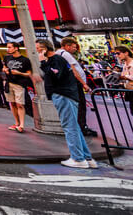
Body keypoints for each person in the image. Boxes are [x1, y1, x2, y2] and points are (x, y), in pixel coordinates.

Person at [37, 39, 97, 169]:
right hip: (67, 94)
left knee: (69, 127)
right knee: (74, 126)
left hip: (63, 95)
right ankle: (87, 157)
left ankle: (78, 158)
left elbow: (54, 75)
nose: (37, 52)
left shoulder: (56, 60)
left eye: (38, 49)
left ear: (44, 49)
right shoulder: (57, 60)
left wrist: (42, 62)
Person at [59, 37, 95, 137]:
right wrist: (84, 83)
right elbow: (74, 71)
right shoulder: (65, 54)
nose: (75, 49)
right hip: (75, 83)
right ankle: (82, 127)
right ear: (67, 46)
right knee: (81, 105)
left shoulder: (59, 54)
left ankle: (80, 127)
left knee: (77, 106)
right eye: (74, 47)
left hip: (70, 84)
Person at [4, 41, 33, 133]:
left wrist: (19, 73)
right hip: (9, 83)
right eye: (7, 47)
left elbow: (29, 73)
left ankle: (22, 125)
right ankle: (16, 123)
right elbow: (4, 66)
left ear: (16, 48)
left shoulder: (25, 60)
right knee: (12, 103)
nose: (8, 49)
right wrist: (5, 69)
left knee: (20, 104)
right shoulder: (7, 57)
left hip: (19, 84)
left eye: (10, 47)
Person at [117, 45, 133, 115]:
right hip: (130, 91)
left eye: (118, 53)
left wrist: (125, 77)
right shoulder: (125, 64)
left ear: (126, 53)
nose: (117, 56)